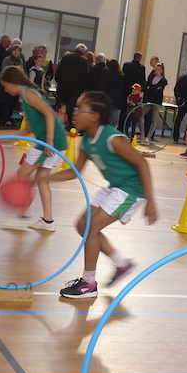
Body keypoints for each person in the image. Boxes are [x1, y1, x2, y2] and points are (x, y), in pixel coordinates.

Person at [50, 91, 157, 298]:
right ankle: (121, 263)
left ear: (95, 116)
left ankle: (88, 283)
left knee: (90, 227)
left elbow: (142, 162)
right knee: (82, 225)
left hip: (132, 189)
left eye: (80, 109)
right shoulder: (87, 141)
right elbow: (74, 172)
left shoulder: (112, 138)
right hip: (116, 186)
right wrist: (44, 178)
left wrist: (151, 201)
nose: (74, 113)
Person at [0, 65, 68, 231]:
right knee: (41, 179)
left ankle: (22, 216)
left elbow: (50, 114)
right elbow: (30, 127)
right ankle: (48, 221)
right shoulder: (25, 97)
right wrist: (13, 138)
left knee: (23, 173)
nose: (5, 89)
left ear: (13, 82)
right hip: (49, 141)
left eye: (5, 85)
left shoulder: (29, 94)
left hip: (51, 142)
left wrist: (49, 141)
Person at [53, 43, 89, 114]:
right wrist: (82, 89)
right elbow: (85, 77)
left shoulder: (66, 57)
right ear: (82, 51)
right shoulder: (83, 60)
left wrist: (59, 83)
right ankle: (68, 123)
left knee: (59, 107)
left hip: (63, 88)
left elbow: (58, 72)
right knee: (71, 109)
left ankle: (56, 122)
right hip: (75, 90)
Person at [143, 62, 168, 142]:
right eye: (156, 69)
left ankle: (149, 136)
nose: (157, 71)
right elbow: (146, 87)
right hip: (148, 100)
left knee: (154, 119)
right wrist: (151, 88)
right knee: (140, 115)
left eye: (158, 70)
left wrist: (151, 88)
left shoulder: (163, 80)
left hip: (156, 101)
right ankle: (142, 134)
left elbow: (157, 90)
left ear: (162, 71)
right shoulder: (151, 77)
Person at [105, 58, 126, 127]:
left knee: (108, 114)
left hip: (109, 95)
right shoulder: (120, 75)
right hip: (117, 96)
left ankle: (106, 128)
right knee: (115, 114)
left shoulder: (108, 74)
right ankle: (113, 127)